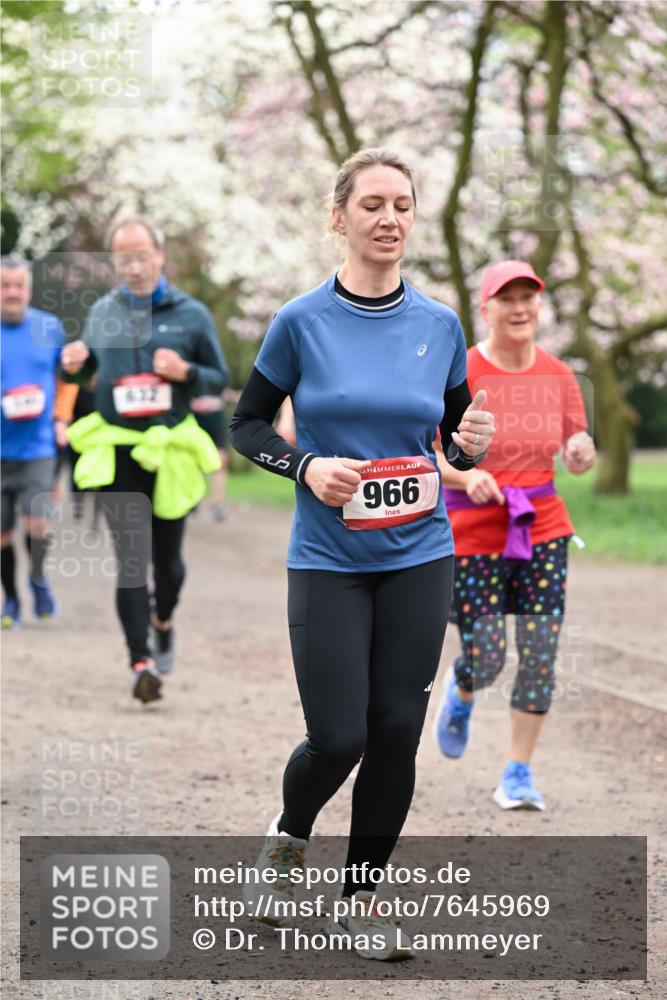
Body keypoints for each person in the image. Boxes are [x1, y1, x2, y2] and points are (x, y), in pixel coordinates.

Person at [230, 148, 495, 960]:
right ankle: (288, 834)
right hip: (327, 558)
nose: (389, 219)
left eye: (403, 205)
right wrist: (305, 465)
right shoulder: (300, 321)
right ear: (338, 217)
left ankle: (361, 897)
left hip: (420, 554)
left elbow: (453, 434)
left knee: (393, 731)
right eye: (372, 204)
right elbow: (244, 427)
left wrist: (471, 443)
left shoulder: (440, 325)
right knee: (339, 734)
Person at [435, 260, 596, 811]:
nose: (521, 307)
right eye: (508, 298)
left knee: (541, 653)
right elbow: (430, 455)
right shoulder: (462, 372)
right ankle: (461, 693)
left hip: (543, 528)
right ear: (487, 308)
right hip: (474, 533)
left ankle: (518, 772)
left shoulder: (558, 374)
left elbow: (578, 451)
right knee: (487, 658)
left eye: (529, 296)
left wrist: (581, 452)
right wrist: (468, 473)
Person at [61, 217, 228, 703]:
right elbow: (87, 370)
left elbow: (218, 378)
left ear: (160, 255)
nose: (133, 266)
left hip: (170, 449)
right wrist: (74, 364)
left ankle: (163, 621)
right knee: (131, 559)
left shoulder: (191, 314)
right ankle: (141, 662)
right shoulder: (102, 311)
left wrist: (185, 370)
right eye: (123, 258)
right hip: (119, 448)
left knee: (168, 564)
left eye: (141, 255)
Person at [1, 255, 77, 628]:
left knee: (37, 524)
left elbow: (67, 379)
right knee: (1, 534)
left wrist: (62, 417)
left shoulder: (49, 327)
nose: (12, 292)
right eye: (5, 286)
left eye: (18, 286)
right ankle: (11, 598)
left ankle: (38, 580)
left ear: (28, 289)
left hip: (38, 448)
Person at [190, 388, 235, 522]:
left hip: (216, 424)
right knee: (194, 463)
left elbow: (224, 392)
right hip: (195, 424)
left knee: (220, 462)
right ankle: (193, 498)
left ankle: (217, 504)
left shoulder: (219, 371)